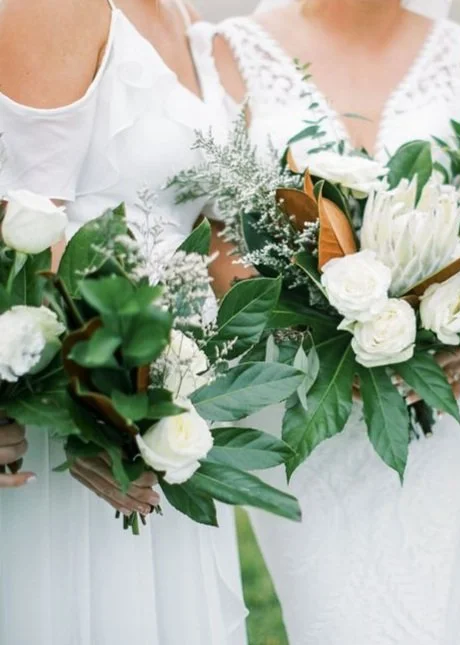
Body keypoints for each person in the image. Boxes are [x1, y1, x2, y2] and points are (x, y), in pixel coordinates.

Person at [189, 0, 460, 642]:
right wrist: (317, 339)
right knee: (334, 616)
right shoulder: (231, 48)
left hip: (431, 393)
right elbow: (217, 229)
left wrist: (458, 327)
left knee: (429, 610)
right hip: (299, 389)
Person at [0, 1, 246, 642]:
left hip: (171, 399)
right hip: (87, 404)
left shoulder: (180, 11)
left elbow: (205, 227)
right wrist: (108, 411)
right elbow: (25, 235)